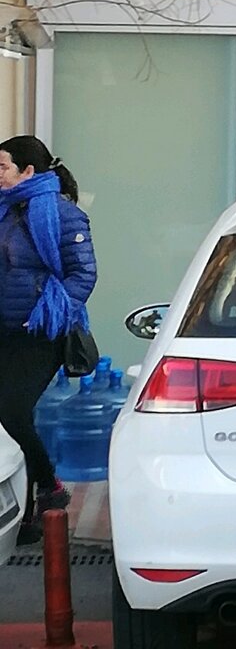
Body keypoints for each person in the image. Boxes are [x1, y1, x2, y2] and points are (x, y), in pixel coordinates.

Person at [0, 135, 97, 544]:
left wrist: (53, 309)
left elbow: (83, 275)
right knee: (9, 420)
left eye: (2, 167)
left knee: (12, 411)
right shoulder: (4, 212)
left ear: (28, 171)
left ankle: (49, 486)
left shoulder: (63, 215)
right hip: (5, 329)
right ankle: (25, 513)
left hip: (43, 333)